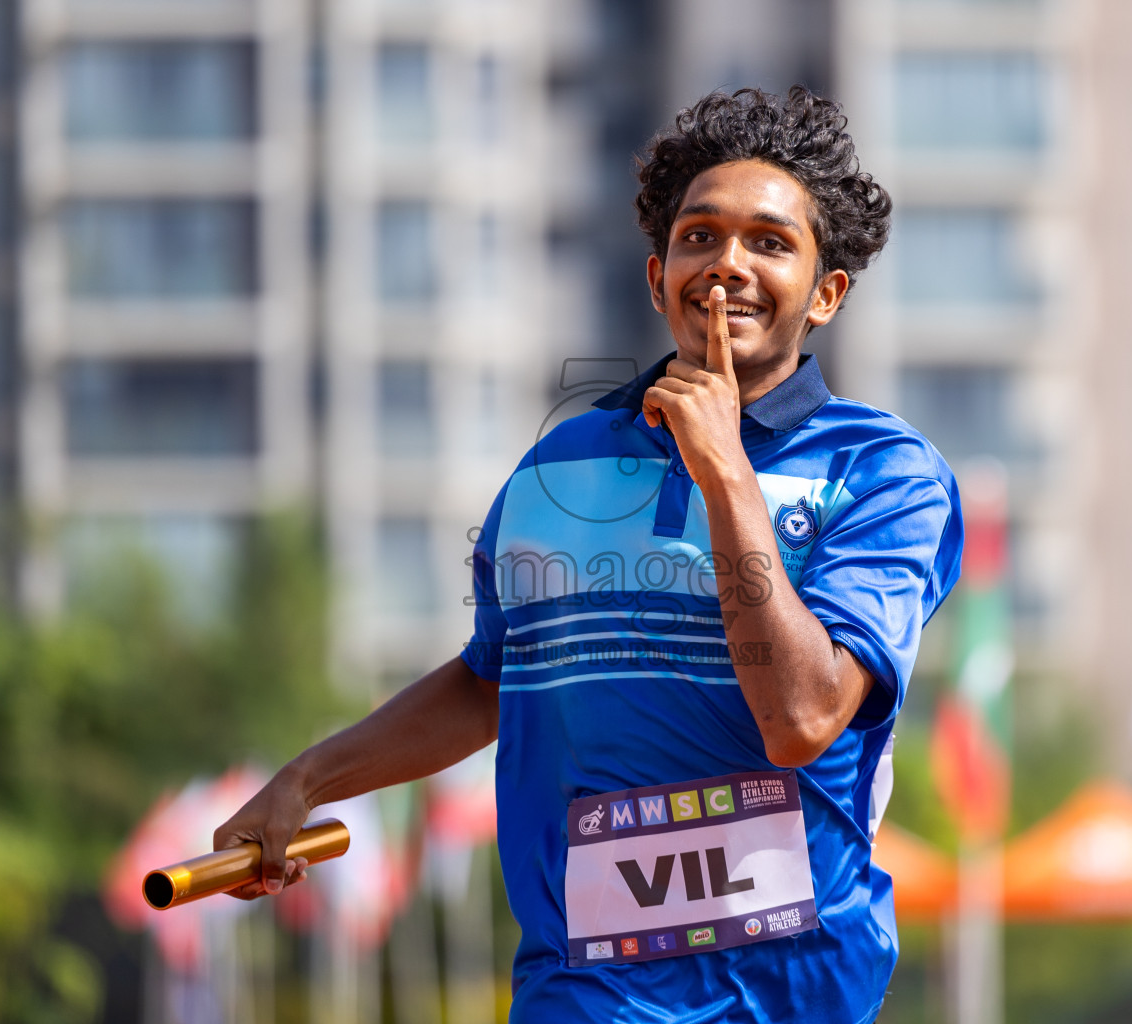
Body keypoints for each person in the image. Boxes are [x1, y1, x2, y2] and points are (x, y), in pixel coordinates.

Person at [215, 86, 963, 1023]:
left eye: (770, 242)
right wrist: (305, 781)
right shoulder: (554, 470)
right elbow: (494, 680)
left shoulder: (886, 473)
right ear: (658, 278)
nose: (727, 264)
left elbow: (804, 719)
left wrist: (724, 467)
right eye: (700, 236)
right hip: (582, 994)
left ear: (826, 294)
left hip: (793, 994)